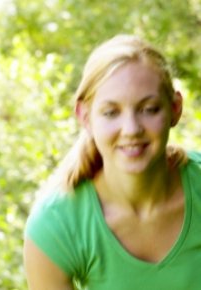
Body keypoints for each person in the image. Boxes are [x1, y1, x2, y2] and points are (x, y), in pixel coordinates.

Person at [23, 34, 201, 289]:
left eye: (149, 109)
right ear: (85, 117)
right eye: (111, 112)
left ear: (175, 108)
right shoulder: (55, 226)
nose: (131, 129)